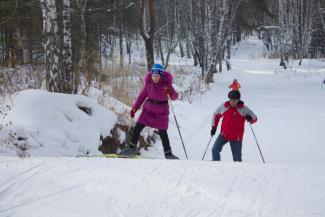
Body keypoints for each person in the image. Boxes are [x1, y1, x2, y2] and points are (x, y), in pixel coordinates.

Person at [121, 63, 179, 159]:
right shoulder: (149, 84)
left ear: (161, 75)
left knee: (163, 133)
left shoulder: (166, 85)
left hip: (161, 112)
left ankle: (168, 153)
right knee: (137, 128)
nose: (155, 78)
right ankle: (132, 148)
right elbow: (141, 97)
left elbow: (175, 97)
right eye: (153, 75)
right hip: (148, 111)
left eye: (157, 76)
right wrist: (134, 108)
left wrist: (170, 92)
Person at [210, 90, 257, 161]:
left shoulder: (243, 109)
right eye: (231, 100)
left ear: (238, 100)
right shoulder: (224, 106)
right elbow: (216, 114)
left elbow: (255, 118)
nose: (232, 102)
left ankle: (237, 171)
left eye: (234, 100)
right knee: (215, 150)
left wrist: (250, 118)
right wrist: (214, 127)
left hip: (236, 137)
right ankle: (217, 166)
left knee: (237, 159)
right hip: (224, 134)